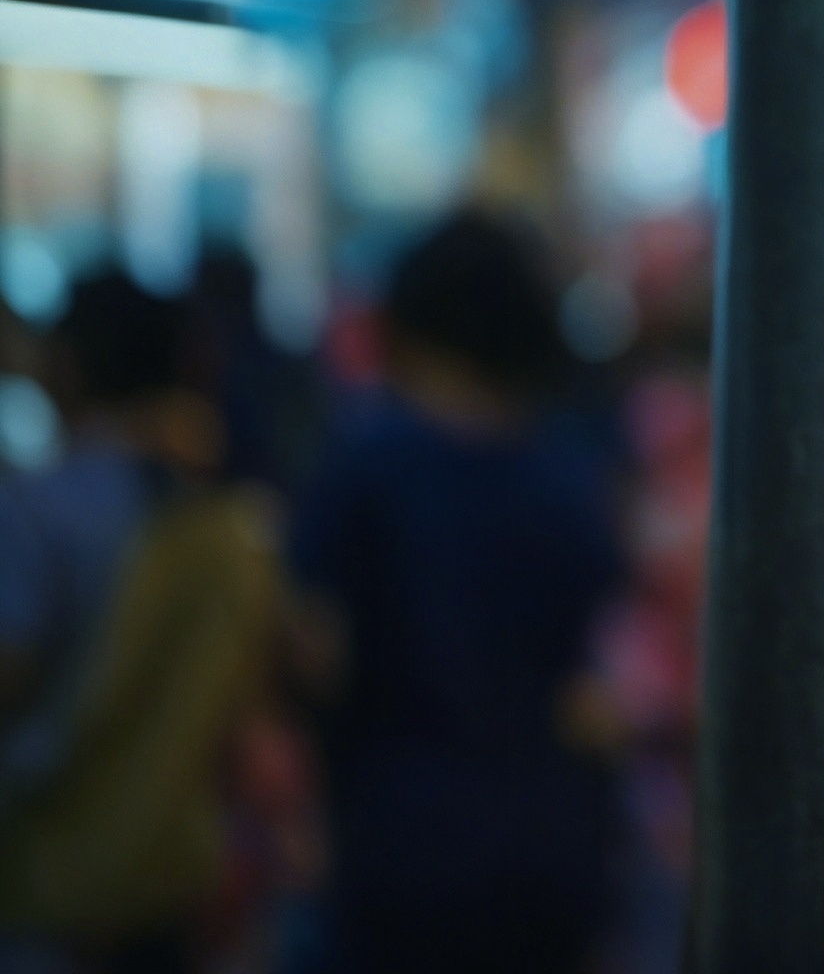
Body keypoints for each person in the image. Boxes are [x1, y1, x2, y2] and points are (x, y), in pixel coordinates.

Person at [287, 211, 624, 974]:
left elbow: (319, 655)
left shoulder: (368, 468)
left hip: (400, 839)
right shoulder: (568, 476)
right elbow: (593, 670)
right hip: (550, 839)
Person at [0, 270, 281, 974]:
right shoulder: (231, 522)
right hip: (177, 872)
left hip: (48, 872)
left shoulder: (41, 509)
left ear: (66, 364)